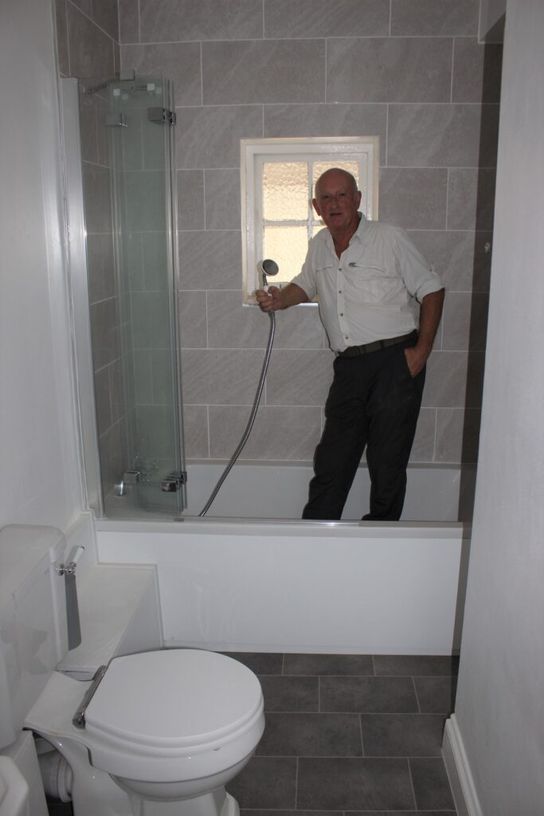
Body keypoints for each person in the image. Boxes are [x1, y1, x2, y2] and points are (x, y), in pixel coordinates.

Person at [256, 168, 444, 521]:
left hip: (394, 362)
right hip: (349, 368)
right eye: (325, 198)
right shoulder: (318, 246)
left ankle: (380, 541)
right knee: (332, 459)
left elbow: (432, 289)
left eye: (342, 195)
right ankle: (314, 536)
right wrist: (280, 299)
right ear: (316, 206)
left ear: (357, 199)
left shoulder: (388, 238)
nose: (334, 203)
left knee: (387, 461)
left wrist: (421, 352)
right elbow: (304, 284)